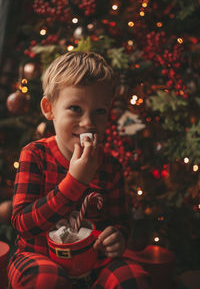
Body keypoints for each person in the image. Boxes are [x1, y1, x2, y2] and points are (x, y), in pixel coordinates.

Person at [8, 51, 150, 288]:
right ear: (49, 108)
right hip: (37, 257)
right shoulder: (34, 155)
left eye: (99, 111)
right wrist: (75, 181)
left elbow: (120, 222)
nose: (88, 123)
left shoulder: (110, 168)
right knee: (46, 279)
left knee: (132, 277)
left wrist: (118, 236)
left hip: (93, 262)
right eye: (75, 108)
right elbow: (23, 224)